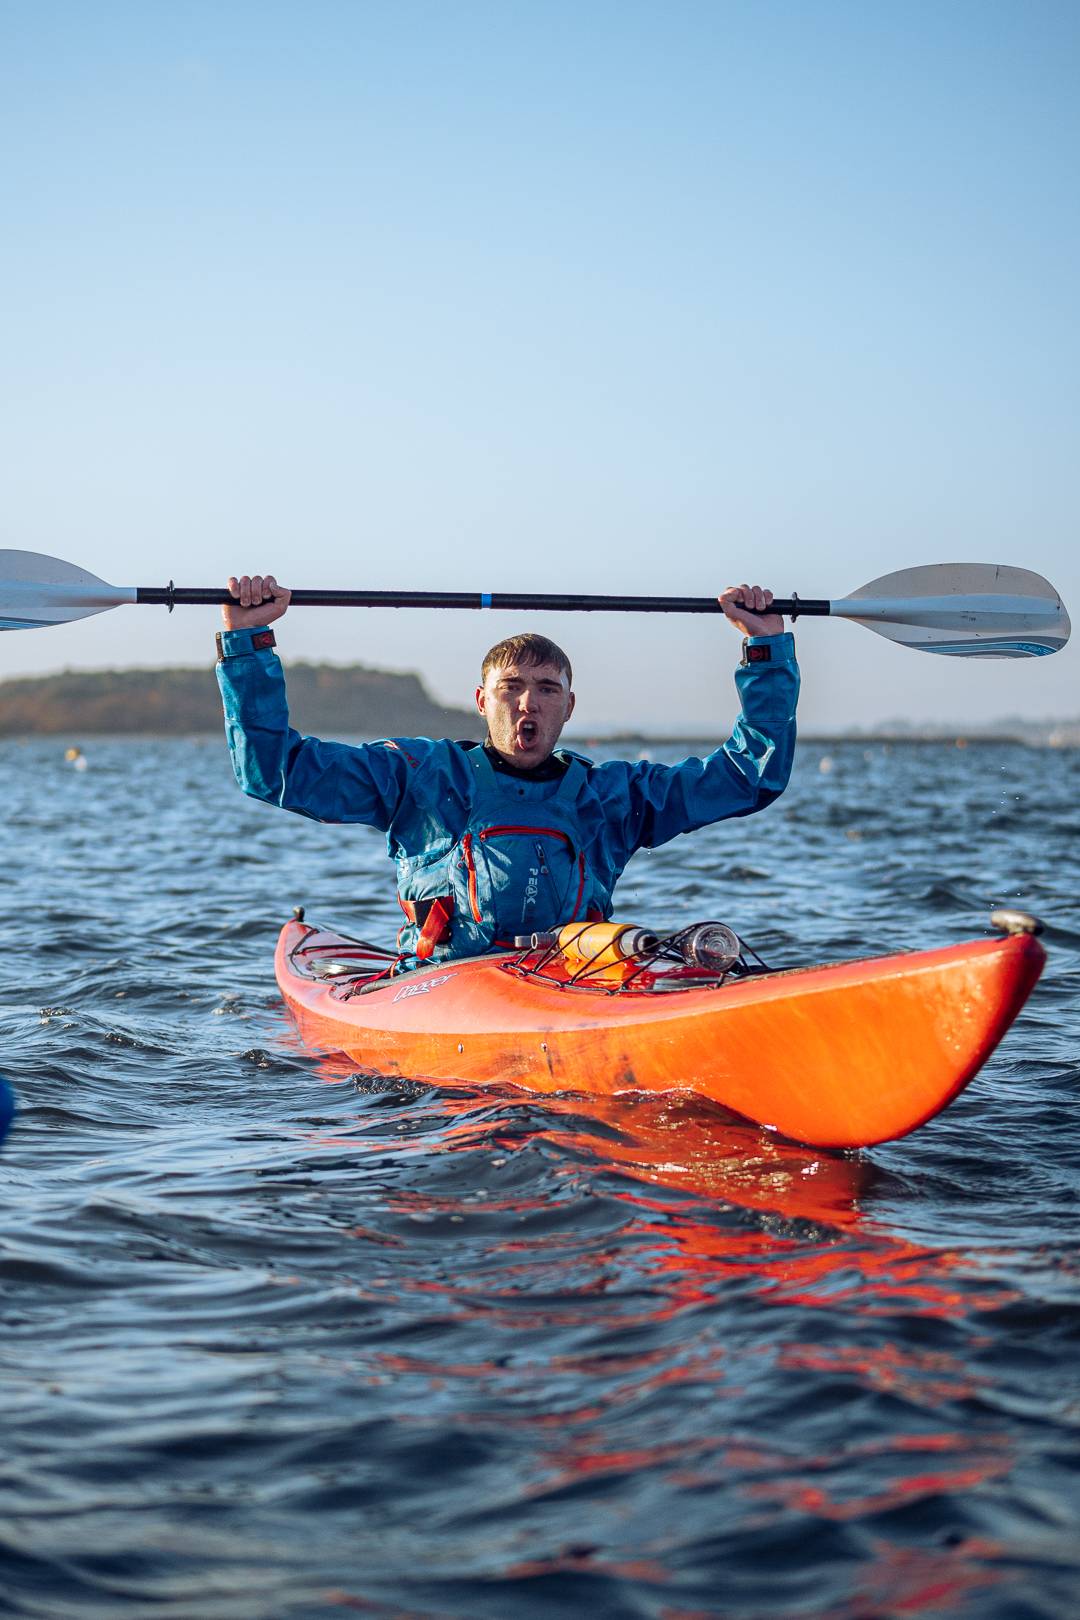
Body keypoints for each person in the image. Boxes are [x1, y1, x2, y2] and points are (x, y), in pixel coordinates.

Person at [216, 575, 799, 963]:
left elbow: (749, 777)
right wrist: (247, 642)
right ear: (481, 701)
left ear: (569, 707)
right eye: (510, 688)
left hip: (573, 983)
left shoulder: (615, 796)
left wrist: (766, 651)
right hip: (444, 988)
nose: (527, 704)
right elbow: (274, 768)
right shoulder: (419, 776)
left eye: (547, 690)